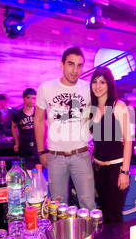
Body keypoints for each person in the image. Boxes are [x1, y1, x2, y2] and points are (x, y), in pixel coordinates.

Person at [34, 46, 96, 211]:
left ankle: (90, 237)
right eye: (71, 64)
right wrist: (41, 152)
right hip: (55, 157)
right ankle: (60, 237)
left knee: (88, 205)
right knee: (59, 207)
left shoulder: (88, 88)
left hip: (81, 155)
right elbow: (38, 120)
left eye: (80, 65)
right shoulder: (46, 88)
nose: (75, 70)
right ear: (61, 65)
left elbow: (97, 114)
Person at [89, 67, 132, 223]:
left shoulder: (118, 106)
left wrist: (125, 172)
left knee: (113, 215)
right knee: (104, 212)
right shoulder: (91, 109)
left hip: (116, 169)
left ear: (109, 85)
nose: (97, 86)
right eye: (94, 81)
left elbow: (128, 140)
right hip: (98, 168)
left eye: (102, 82)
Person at [12, 88, 37, 157]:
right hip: (24, 146)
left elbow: (46, 126)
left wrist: (46, 141)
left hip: (38, 145)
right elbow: (13, 127)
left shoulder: (40, 112)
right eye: (28, 98)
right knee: (24, 166)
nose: (31, 100)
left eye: (33, 98)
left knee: (39, 166)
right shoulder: (17, 113)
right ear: (24, 98)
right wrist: (17, 143)